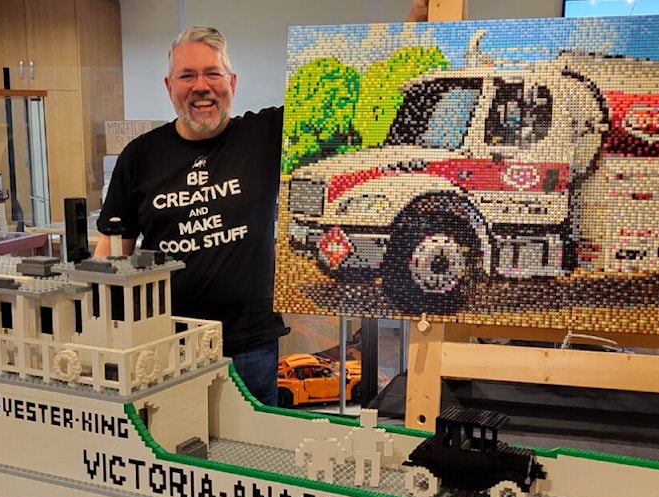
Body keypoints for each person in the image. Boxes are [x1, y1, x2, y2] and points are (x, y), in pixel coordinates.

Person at [96, 2, 429, 407]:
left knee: (253, 454)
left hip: (250, 344)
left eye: (212, 73)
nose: (201, 86)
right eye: (187, 75)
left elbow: (363, 92)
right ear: (170, 86)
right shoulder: (140, 156)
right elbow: (112, 252)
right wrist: (107, 337)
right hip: (169, 345)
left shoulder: (264, 135)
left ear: (231, 82)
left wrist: (413, 29)